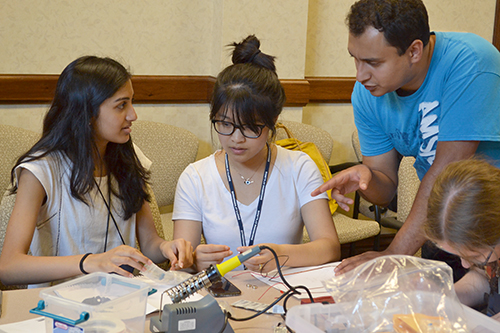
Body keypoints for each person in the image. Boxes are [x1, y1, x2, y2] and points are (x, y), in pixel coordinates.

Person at [313, 0, 500, 278]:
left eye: (373, 62)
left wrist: (394, 253)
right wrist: (365, 177)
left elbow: (444, 172)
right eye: (355, 58)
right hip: (444, 224)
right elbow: (385, 188)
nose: (360, 75)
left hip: (490, 225)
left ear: (414, 51)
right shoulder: (367, 94)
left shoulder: (469, 60)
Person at [0, 56, 193, 287]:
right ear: (87, 114)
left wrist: (166, 247)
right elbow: (9, 267)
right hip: (61, 307)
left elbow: (150, 244)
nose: (133, 115)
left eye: (132, 102)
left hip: (124, 298)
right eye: (121, 105)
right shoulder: (40, 170)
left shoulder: (129, 157)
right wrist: (90, 262)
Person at [173, 35, 340, 273]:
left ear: (273, 121)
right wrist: (193, 261)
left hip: (282, 291)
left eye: (251, 127)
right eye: (225, 124)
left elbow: (329, 248)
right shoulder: (196, 177)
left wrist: (281, 254)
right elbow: (182, 262)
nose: (236, 138)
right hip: (221, 298)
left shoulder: (299, 167)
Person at [425, 159, 500, 319]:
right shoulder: (492, 249)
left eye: (474, 257)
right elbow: (488, 278)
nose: (464, 264)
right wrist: (449, 295)